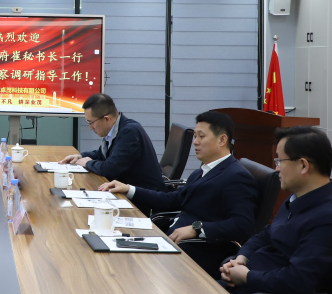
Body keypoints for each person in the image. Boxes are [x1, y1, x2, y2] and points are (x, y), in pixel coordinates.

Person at [100, 111, 257, 277]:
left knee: (125, 268)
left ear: (222, 140)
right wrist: (129, 189)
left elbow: (242, 225)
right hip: (171, 241)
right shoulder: (202, 171)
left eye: (201, 136)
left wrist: (197, 229)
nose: (195, 142)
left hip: (195, 253)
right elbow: (171, 200)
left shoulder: (236, 176)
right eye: (195, 136)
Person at [220, 126, 332, 294]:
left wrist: (246, 277)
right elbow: (266, 234)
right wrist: (241, 258)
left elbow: (296, 280)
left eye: (280, 161)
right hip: (250, 287)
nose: (276, 168)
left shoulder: (330, 219)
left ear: (303, 165)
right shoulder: (297, 197)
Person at [60, 94, 165, 193]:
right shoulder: (117, 129)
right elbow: (102, 154)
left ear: (107, 119)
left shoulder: (130, 132)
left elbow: (109, 169)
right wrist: (80, 156)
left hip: (144, 196)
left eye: (91, 122)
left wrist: (88, 163)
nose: (90, 127)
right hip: (126, 190)